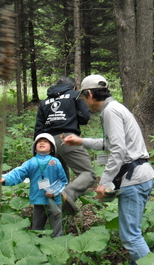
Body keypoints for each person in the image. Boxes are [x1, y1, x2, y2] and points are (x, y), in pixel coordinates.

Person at [63, 74, 154, 265]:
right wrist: (81, 141)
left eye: (83, 98)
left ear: (89, 94)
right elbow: (111, 143)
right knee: (134, 234)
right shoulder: (115, 108)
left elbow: (118, 151)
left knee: (131, 238)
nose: (84, 103)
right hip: (140, 175)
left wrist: (104, 182)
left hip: (134, 179)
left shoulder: (110, 112)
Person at [34, 76, 96, 215]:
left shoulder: (45, 102)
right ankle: (68, 193)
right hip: (67, 138)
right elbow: (85, 118)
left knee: (56, 178)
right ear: (74, 87)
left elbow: (38, 128)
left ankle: (48, 216)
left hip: (47, 141)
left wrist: (38, 153)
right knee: (88, 173)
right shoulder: (75, 95)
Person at [0, 133, 68, 237]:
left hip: (55, 201)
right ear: (34, 148)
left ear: (52, 149)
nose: (42, 143)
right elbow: (18, 173)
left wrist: (54, 191)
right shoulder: (31, 162)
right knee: (36, 229)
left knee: (56, 227)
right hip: (38, 200)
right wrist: (5, 178)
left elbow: (63, 181)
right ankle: (36, 246)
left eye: (46, 141)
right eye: (39, 141)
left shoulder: (55, 162)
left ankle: (58, 246)